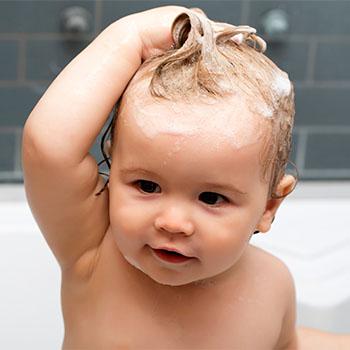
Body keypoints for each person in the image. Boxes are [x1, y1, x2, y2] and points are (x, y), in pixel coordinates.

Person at [22, 6, 350, 349]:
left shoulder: (272, 285)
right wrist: (132, 37)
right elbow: (48, 147)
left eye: (211, 198)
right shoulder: (93, 250)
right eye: (147, 186)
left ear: (269, 206)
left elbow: (289, 345)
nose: (173, 223)